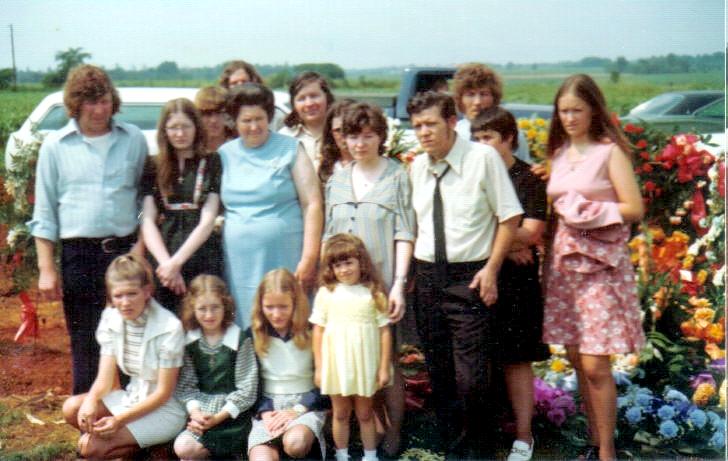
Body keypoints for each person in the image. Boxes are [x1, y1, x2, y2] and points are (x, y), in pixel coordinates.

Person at [407, 91, 522, 458]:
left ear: (453, 122)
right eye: (417, 126)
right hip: (427, 278)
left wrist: (491, 269)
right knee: (439, 373)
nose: (424, 133)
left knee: (471, 377)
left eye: (431, 124)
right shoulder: (416, 167)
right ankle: (453, 450)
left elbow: (509, 217)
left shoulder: (482, 158)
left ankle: (479, 450)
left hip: (470, 277)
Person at [543, 74, 645, 461]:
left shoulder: (609, 153)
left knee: (594, 362)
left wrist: (589, 210)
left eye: (577, 110)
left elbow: (634, 208)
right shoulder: (558, 153)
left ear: (593, 110)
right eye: (563, 111)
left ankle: (607, 451)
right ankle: (592, 439)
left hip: (600, 266)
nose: (569, 118)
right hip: (564, 267)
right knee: (574, 357)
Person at [29, 64, 148, 394]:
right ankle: (86, 417)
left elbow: (145, 198)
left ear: (114, 100)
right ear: (75, 104)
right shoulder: (55, 147)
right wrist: (46, 269)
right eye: (90, 102)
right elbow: (44, 212)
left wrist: (140, 248)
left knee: (131, 336)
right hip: (78, 256)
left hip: (123, 253)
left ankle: (132, 420)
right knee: (85, 340)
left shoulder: (133, 139)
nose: (99, 109)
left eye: (105, 100)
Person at [324, 102, 415, 455]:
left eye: (367, 136)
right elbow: (329, 237)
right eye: (353, 136)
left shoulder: (396, 177)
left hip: (380, 287)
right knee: (352, 357)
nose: (360, 143)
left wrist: (398, 284)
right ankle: (367, 432)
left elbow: (405, 232)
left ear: (381, 137)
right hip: (343, 290)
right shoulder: (337, 179)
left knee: (385, 362)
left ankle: (393, 433)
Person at [470, 107, 551, 461]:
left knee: (517, 361)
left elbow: (533, 232)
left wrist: (503, 236)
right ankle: (483, 432)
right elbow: (463, 224)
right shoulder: (473, 175)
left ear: (509, 139)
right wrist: (507, 242)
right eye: (476, 138)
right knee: (479, 358)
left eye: (488, 137)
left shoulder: (528, 178)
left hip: (517, 284)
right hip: (479, 275)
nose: (481, 145)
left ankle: (524, 436)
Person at [61, 254, 186, 459]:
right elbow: (105, 379)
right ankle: (144, 448)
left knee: (89, 449)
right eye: (118, 296)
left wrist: (119, 420)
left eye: (132, 294)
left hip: (164, 409)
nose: (125, 303)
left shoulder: (169, 327)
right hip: (132, 398)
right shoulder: (111, 318)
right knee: (73, 408)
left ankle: (156, 445)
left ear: (147, 291)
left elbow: (163, 392)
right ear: (111, 296)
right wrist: (92, 400)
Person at [219, 83, 323, 327]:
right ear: (234, 121)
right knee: (248, 322)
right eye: (246, 120)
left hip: (286, 254)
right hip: (239, 261)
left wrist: (309, 258)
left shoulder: (291, 149)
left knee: (288, 319)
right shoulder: (224, 154)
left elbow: (312, 204)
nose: (254, 126)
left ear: (269, 117)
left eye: (260, 119)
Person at [311, 234, 392, 461]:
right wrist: (319, 367)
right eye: (338, 265)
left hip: (365, 363)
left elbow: (384, 331)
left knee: (365, 413)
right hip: (337, 363)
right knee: (341, 412)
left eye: (349, 263)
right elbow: (318, 330)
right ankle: (342, 454)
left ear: (361, 262)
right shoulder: (327, 293)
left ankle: (370, 455)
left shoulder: (373, 293)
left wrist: (384, 367)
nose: (344, 270)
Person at [141, 98, 222, 313]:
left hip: (200, 251)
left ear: (196, 127)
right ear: (164, 131)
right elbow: (147, 218)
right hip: (163, 253)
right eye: (173, 127)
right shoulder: (152, 165)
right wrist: (166, 264)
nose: (180, 133)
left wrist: (177, 263)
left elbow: (208, 219)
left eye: (185, 126)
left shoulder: (212, 162)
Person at [173, 275, 259, 460]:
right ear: (192, 309)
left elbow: (248, 389)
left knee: (193, 452)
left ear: (225, 306)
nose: (209, 315)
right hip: (201, 415)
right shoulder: (191, 342)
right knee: (182, 448)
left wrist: (217, 418)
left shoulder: (238, 339)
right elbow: (186, 386)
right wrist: (196, 414)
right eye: (202, 309)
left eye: (215, 307)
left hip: (231, 416)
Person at [248, 268, 327, 460]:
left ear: (295, 303)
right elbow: (248, 382)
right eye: (269, 307)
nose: (276, 314)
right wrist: (265, 411)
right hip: (268, 407)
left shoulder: (311, 331)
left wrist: (298, 409)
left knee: (295, 443)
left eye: (283, 306)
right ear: (260, 305)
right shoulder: (253, 334)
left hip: (305, 405)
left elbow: (324, 381)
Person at [452, 62, 533, 163]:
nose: (477, 102)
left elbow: (525, 169)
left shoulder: (511, 133)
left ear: (494, 98)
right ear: (460, 99)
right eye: (470, 94)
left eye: (484, 94)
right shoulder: (454, 135)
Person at [279, 71, 335, 170]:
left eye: (314, 96)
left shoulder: (341, 133)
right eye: (301, 99)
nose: (309, 103)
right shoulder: (283, 137)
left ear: (327, 97)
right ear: (293, 104)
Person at [318, 98, 356, 185]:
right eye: (338, 130)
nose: (344, 135)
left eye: (348, 129)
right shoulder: (326, 168)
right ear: (330, 133)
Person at [195, 86, 233, 152]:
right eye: (207, 114)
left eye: (219, 113)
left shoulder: (239, 145)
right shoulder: (192, 147)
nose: (214, 120)